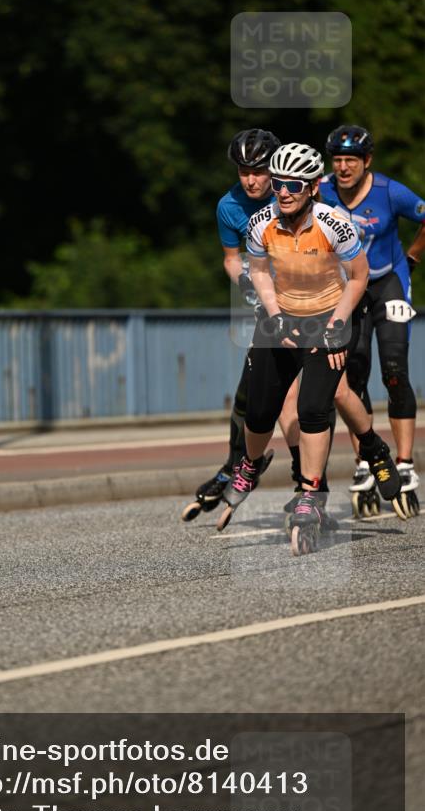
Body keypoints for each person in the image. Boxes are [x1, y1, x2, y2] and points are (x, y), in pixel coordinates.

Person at [217, 142, 408, 555]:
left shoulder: (334, 224)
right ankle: (249, 466)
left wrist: (338, 324)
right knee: (261, 409)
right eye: (279, 184)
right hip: (282, 317)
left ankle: (314, 489)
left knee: (315, 406)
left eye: (294, 186)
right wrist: (273, 312)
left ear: (311, 189)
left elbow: (358, 278)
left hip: (331, 316)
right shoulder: (261, 223)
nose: (283, 192)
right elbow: (261, 271)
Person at [181, 127, 300, 519]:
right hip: (266, 309)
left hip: (309, 305)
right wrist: (246, 280)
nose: (251, 179)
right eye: (243, 170)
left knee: (299, 402)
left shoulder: (295, 194)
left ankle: (312, 481)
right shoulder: (228, 206)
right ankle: (236, 466)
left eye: (259, 170)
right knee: (249, 398)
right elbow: (231, 258)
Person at [319, 125, 424, 516]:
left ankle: (406, 464)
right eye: (338, 160)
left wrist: (412, 259)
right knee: (354, 373)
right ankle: (366, 462)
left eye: (352, 160)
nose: (343, 168)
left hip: (388, 282)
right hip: (350, 289)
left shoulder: (389, 192)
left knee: (394, 370)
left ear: (367, 162)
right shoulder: (322, 189)